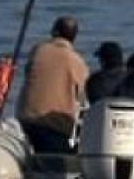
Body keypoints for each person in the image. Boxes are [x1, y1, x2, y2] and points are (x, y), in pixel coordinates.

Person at [16, 15, 89, 154]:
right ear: (74, 37)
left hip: (26, 120)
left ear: (54, 32)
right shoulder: (78, 63)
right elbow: (84, 99)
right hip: (57, 128)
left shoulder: (38, 51)